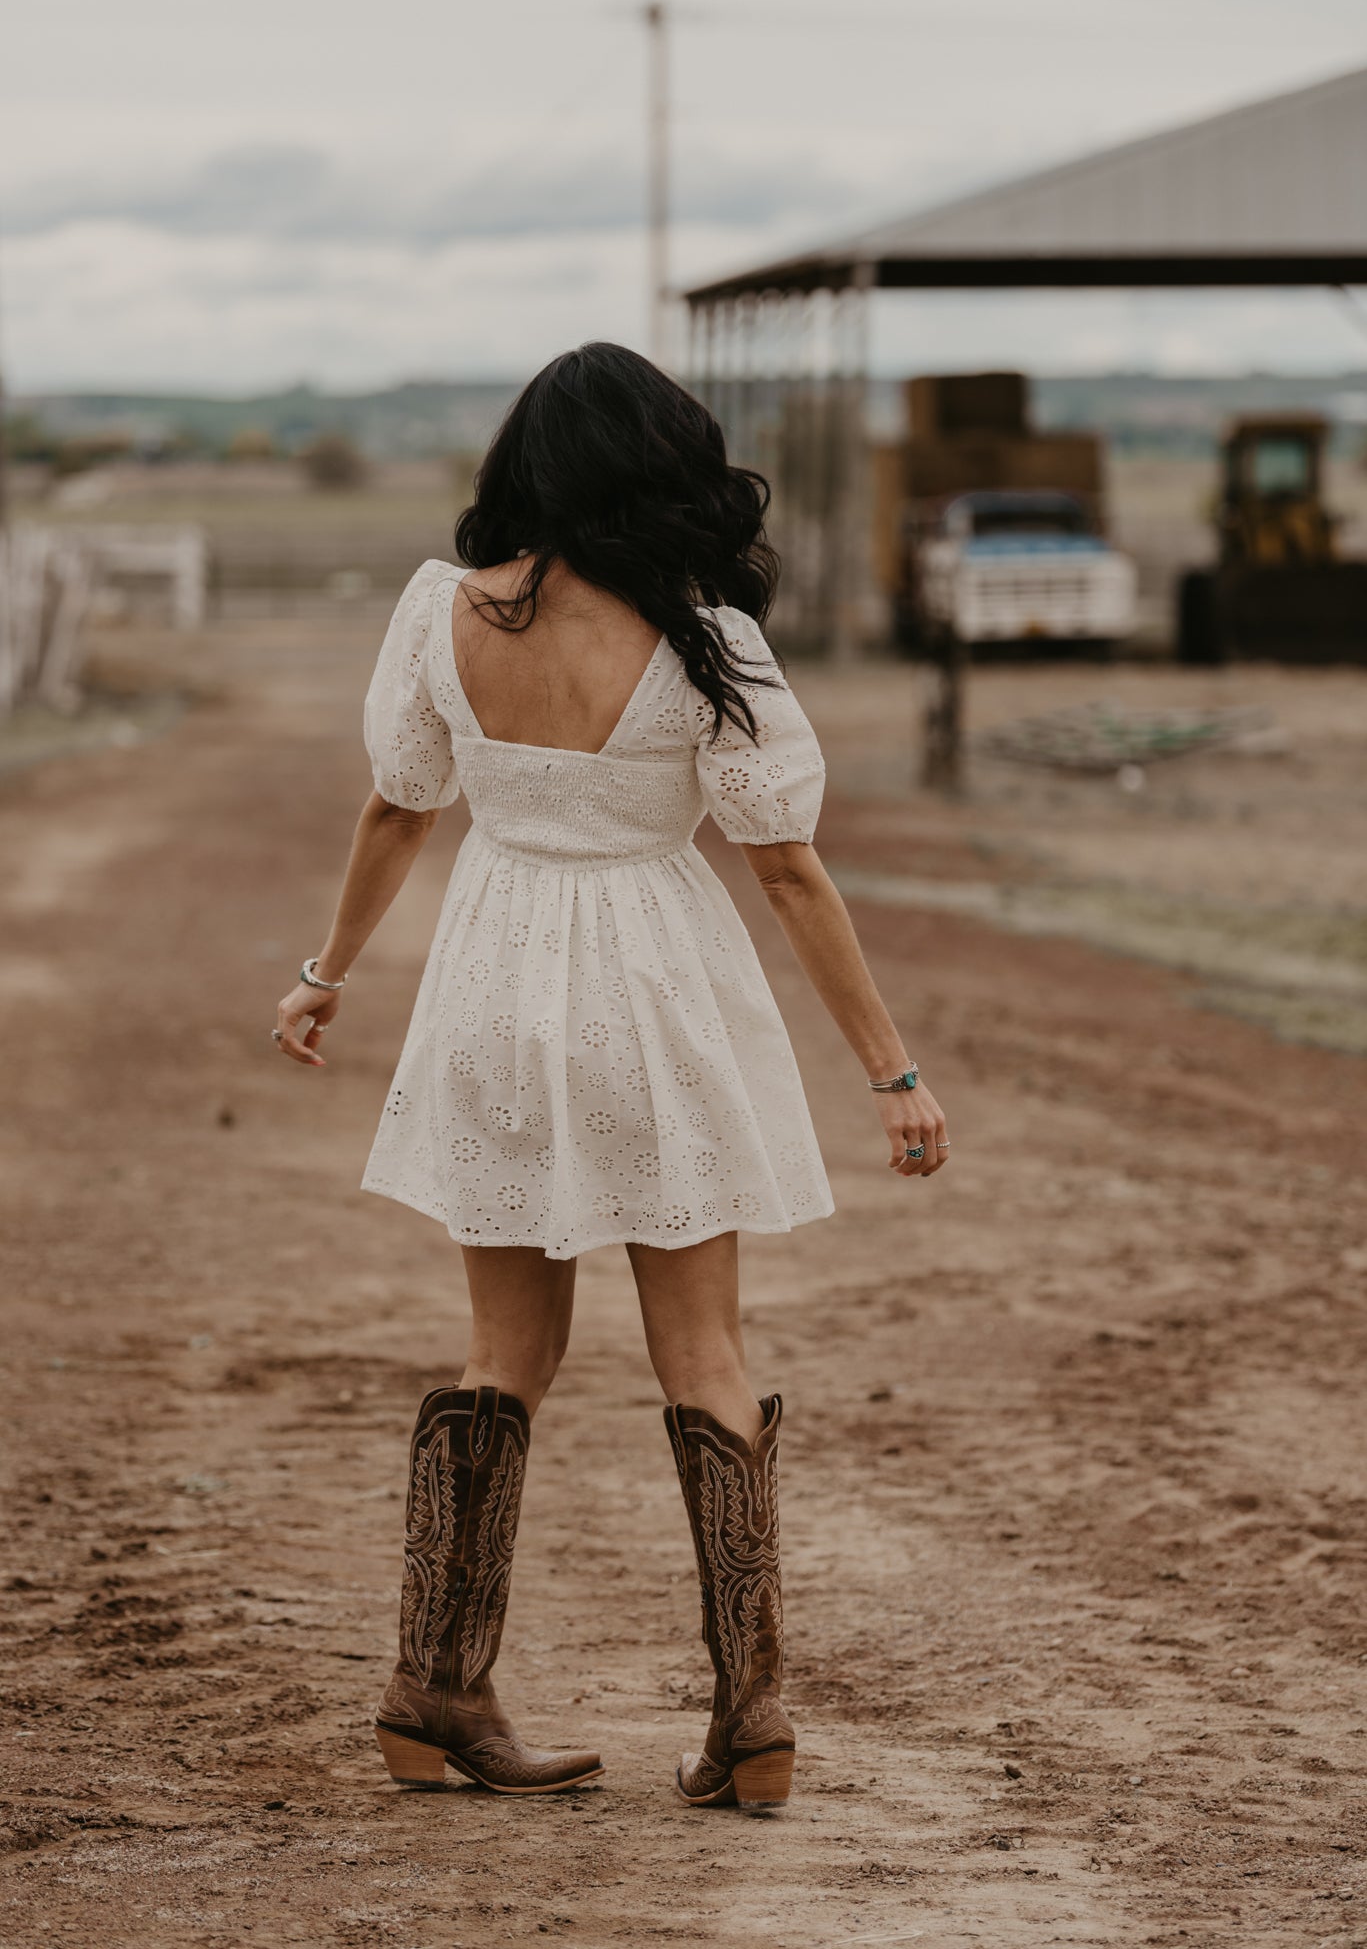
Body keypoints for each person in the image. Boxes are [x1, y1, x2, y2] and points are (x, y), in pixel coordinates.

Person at [271, 342, 949, 1813]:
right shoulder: (707, 642)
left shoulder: (438, 615)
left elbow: (399, 808)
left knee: (504, 1351)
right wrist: (891, 1070)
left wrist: (325, 975)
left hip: (496, 980)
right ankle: (749, 1716)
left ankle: (433, 1693)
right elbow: (790, 872)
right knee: (703, 1351)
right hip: (656, 988)